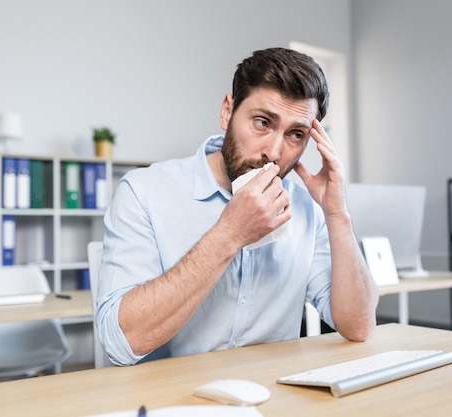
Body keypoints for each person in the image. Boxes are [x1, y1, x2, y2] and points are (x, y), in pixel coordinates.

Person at [96, 47, 379, 366]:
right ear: (227, 112)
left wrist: (336, 213)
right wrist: (230, 234)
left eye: (295, 134)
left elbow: (359, 326)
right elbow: (119, 343)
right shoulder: (145, 191)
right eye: (262, 122)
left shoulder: (305, 208)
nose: (273, 152)